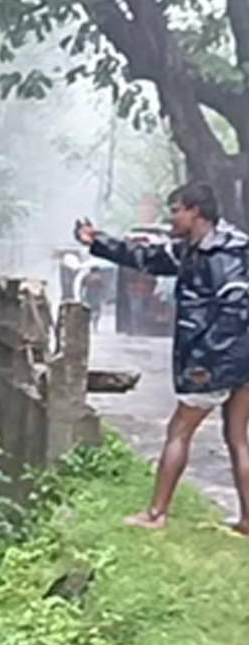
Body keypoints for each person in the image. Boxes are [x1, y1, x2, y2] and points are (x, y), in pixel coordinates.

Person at [75, 182, 249, 534]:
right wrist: (97, 241)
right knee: (237, 437)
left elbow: (235, 311)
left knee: (178, 432)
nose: (171, 218)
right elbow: (146, 258)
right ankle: (247, 520)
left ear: (195, 211)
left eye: (176, 210)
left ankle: (156, 515)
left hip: (216, 360)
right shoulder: (194, 250)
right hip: (239, 361)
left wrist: (205, 364)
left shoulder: (223, 254)